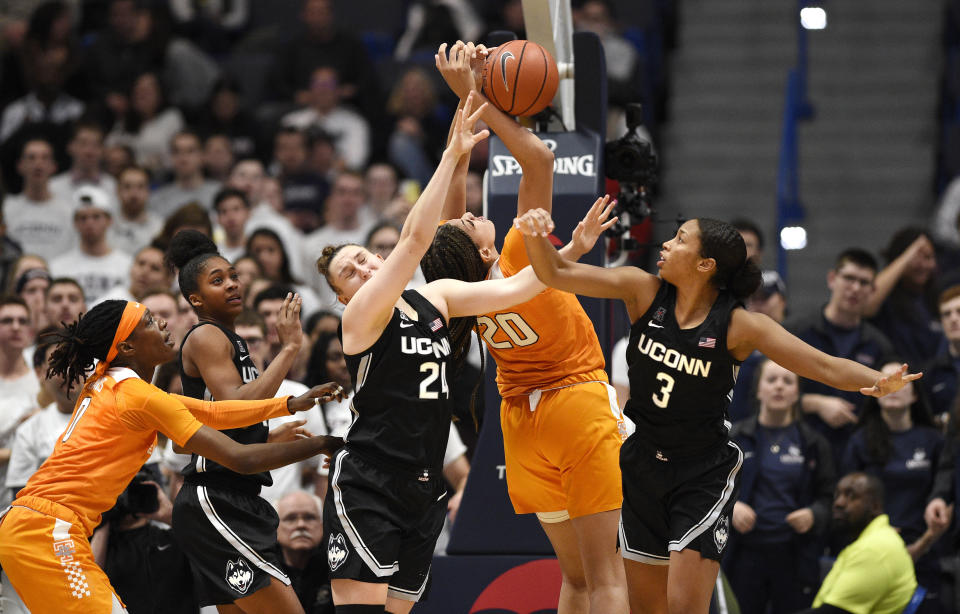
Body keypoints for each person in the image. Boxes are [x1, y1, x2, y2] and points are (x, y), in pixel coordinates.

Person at [514, 204, 921, 614]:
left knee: (685, 606)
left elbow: (821, 364)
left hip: (702, 473)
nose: (666, 245)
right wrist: (534, 234)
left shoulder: (739, 325)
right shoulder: (641, 289)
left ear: (705, 264)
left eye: (680, 240)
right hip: (641, 466)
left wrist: (876, 381)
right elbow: (555, 274)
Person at [314, 91, 545, 612]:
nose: (365, 269)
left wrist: (571, 252)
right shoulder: (358, 317)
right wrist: (450, 154)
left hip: (423, 483)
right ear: (342, 296)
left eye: (364, 259)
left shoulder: (430, 299)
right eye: (349, 273)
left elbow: (511, 291)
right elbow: (417, 239)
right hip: (369, 481)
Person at [422, 43, 630, 614]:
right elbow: (538, 159)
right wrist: (480, 96)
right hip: (575, 404)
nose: (469, 213)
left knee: (576, 580)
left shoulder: (459, 291)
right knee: (609, 576)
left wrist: (466, 101)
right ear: (483, 247)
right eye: (469, 222)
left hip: (520, 422)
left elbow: (455, 181)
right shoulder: (516, 250)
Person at [0, 298, 345, 613]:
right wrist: (322, 444)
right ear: (126, 346)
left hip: (31, 524)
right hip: (47, 530)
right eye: (149, 321)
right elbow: (240, 459)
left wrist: (290, 403)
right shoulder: (136, 395)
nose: (163, 323)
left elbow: (213, 411)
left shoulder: (114, 385)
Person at [165, 229, 332, 613]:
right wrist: (289, 348)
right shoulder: (207, 335)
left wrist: (272, 436)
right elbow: (236, 404)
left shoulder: (230, 340)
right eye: (217, 280)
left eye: (234, 275)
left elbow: (231, 432)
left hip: (233, 494)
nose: (232, 284)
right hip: (215, 498)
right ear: (195, 299)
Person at [723, 359, 835, 614]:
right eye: (771, 380)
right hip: (744, 554)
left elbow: (828, 498)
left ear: (797, 392)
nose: (779, 387)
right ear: (759, 389)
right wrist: (732, 507)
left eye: (787, 381)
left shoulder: (813, 443)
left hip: (794, 554)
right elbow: (709, 491)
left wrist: (813, 514)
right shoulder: (736, 438)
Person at [841, 361, 947, 612]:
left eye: (901, 381)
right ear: (873, 391)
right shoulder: (860, 440)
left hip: (925, 545)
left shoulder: (933, 441)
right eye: (886, 379)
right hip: (875, 550)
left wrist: (926, 540)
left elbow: (942, 490)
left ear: (915, 395)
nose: (893, 385)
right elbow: (846, 499)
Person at [786, 248, 895, 460]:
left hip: (855, 451)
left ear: (873, 291)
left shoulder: (879, 345)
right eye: (849, 278)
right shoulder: (796, 332)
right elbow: (760, 393)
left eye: (864, 283)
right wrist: (814, 403)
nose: (855, 288)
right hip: (799, 449)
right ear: (832, 279)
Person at [797, 473, 917, 614]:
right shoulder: (874, 538)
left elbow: (834, 612)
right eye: (837, 495)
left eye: (851, 496)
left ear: (875, 506)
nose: (838, 503)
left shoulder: (874, 549)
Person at [865, 228, 943, 367]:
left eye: (929, 257)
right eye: (917, 257)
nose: (925, 265)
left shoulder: (935, 297)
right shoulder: (886, 298)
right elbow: (867, 303)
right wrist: (910, 253)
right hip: (896, 377)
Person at [50, 186, 133, 304]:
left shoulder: (128, 265)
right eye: (83, 218)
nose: (89, 223)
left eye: (96, 217)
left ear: (109, 220)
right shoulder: (58, 267)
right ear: (75, 223)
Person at [2, 137, 74, 261]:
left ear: (54, 166)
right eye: (31, 157)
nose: (38, 163)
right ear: (20, 165)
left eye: (44, 158)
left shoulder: (69, 210)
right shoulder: (6, 208)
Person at [275, 491, 334, 614]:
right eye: (290, 518)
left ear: (322, 525)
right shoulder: (263, 570)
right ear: (275, 528)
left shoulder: (338, 565)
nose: (301, 525)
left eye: (309, 517)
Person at [151, 130, 222, 218]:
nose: (183, 158)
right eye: (176, 152)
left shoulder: (219, 193)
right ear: (170, 157)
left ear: (202, 156)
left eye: (190, 151)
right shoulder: (157, 199)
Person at [109, 165, 163, 257]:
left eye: (140, 186)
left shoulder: (159, 227)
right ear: (117, 191)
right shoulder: (106, 224)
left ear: (148, 191)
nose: (134, 193)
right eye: (127, 187)